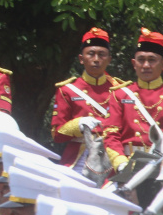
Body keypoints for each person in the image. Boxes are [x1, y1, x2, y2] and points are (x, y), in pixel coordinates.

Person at [102, 28, 163, 171]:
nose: (145, 65)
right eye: (141, 60)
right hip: (126, 165)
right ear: (134, 63)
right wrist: (120, 164)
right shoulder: (120, 94)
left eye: (152, 60)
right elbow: (110, 134)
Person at [50, 27, 118, 168]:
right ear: (81, 59)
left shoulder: (121, 90)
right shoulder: (68, 90)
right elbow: (57, 134)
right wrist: (78, 124)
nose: (96, 59)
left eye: (102, 55)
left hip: (113, 156)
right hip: (79, 157)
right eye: (91, 54)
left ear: (109, 59)